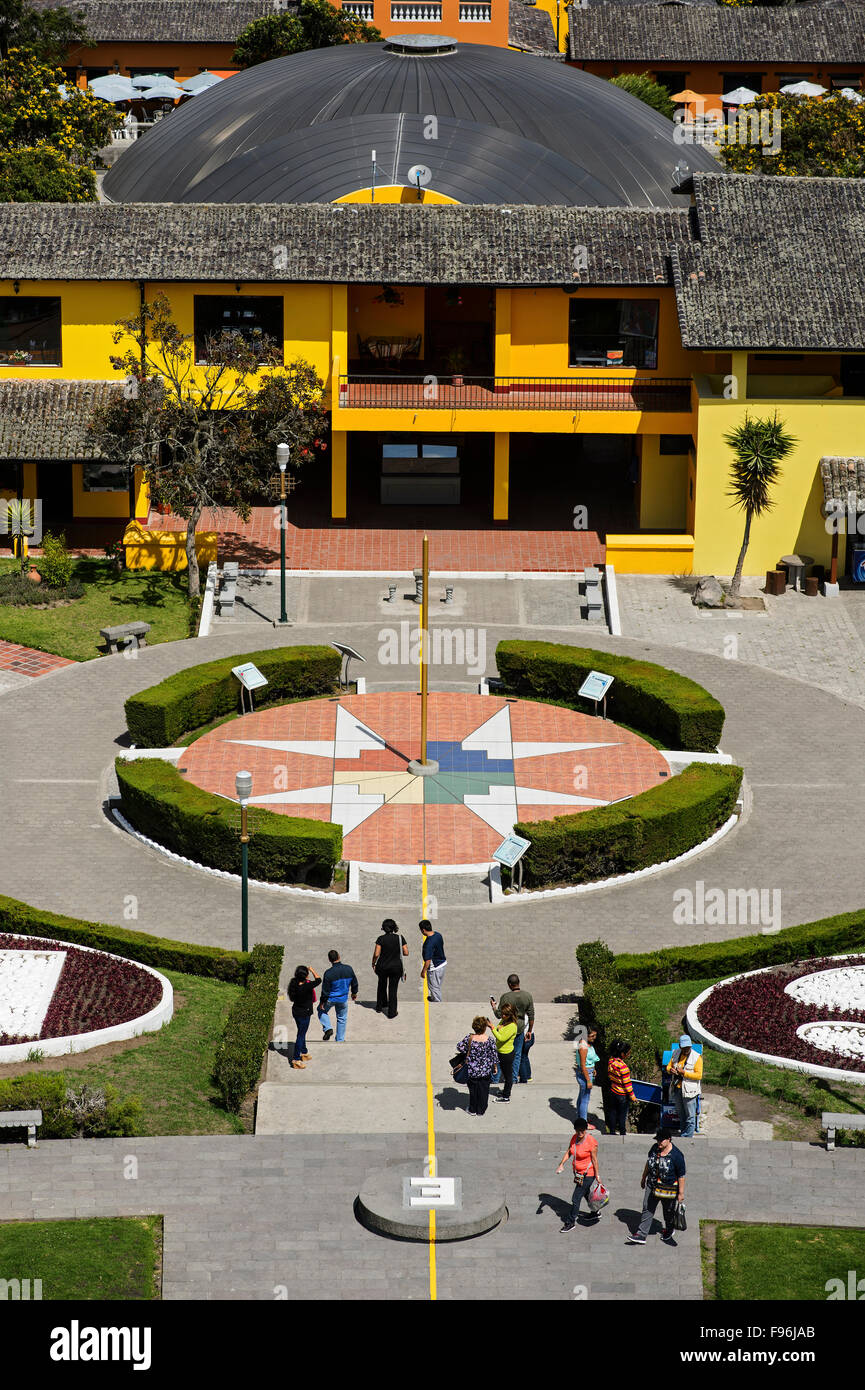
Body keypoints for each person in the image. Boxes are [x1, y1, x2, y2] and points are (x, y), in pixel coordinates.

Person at [625, 1128, 686, 1245]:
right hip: (652, 1185)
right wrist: (643, 1178)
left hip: (668, 1189)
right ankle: (641, 1234)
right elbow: (648, 1163)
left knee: (668, 1211)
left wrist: (681, 1193)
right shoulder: (654, 1148)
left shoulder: (677, 1155)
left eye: (661, 1141)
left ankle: (669, 1229)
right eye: (657, 1140)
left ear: (669, 1140)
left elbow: (681, 1176)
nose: (659, 1143)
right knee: (647, 1207)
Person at [556, 1118, 601, 1232]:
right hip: (578, 1173)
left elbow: (595, 1160)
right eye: (578, 1130)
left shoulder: (591, 1141)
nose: (580, 1133)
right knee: (586, 1193)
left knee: (576, 1198)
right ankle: (596, 1212)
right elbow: (569, 1151)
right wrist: (561, 1164)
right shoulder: (574, 1138)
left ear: (586, 1129)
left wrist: (597, 1175)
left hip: (588, 1174)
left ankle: (571, 1222)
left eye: (583, 1130)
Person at [491, 974, 534, 1088]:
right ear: (519, 982)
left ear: (509, 984)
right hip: (520, 1028)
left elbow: (499, 1015)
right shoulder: (528, 996)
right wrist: (529, 1031)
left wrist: (494, 1007)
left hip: (507, 1027)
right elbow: (531, 1015)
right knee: (517, 1054)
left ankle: (496, 1079)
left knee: (500, 1052)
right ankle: (514, 1078)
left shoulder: (506, 997)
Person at [455, 1016, 499, 1116]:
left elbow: (459, 1047)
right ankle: (481, 1110)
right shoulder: (490, 1040)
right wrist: (495, 1067)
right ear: (485, 1027)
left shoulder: (469, 1038)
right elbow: (494, 1056)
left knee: (473, 1090)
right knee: (484, 1090)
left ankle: (472, 1109)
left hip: (472, 1071)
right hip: (485, 1071)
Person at [317, 949, 358, 1042]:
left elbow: (325, 990)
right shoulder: (349, 968)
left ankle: (327, 1028)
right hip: (343, 999)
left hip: (330, 999)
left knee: (320, 1010)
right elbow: (354, 983)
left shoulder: (328, 973)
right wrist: (354, 993)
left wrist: (322, 1002)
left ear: (329, 960)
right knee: (342, 1019)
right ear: (339, 957)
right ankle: (340, 1040)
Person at [666, 1034, 703, 1138]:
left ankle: (687, 1137)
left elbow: (699, 1075)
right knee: (681, 1114)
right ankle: (683, 1134)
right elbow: (669, 1066)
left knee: (690, 1116)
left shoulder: (697, 1058)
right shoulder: (676, 1053)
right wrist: (670, 1070)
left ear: (690, 1046)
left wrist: (684, 1073)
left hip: (689, 1091)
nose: (686, 1049)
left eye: (688, 1047)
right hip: (677, 1089)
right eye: (684, 1047)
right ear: (680, 1046)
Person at [372, 919, 408, 1019]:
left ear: (383, 928)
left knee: (381, 985)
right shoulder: (400, 938)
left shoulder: (380, 939)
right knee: (393, 989)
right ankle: (392, 1012)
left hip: (382, 967)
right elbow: (406, 952)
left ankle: (380, 1006)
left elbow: (376, 954)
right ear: (394, 927)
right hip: (396, 967)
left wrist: (373, 963)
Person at [287, 964, 321, 1070]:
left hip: (296, 1012)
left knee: (302, 1032)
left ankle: (304, 1052)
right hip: (304, 1014)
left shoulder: (293, 983)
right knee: (301, 1035)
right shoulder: (307, 985)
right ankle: (296, 1059)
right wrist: (312, 969)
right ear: (305, 976)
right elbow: (319, 980)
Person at [488, 1002, 518, 1102]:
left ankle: (506, 1097)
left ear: (511, 1015)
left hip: (507, 1054)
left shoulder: (513, 1026)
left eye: (505, 1014)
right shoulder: (504, 1021)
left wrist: (492, 1028)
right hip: (501, 1052)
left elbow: (501, 1038)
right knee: (506, 1074)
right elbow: (498, 1029)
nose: (502, 1015)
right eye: (502, 1013)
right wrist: (496, 1028)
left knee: (508, 1076)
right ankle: (505, 1091)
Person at [606, 1038, 637, 1135]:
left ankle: (612, 1130)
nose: (629, 1055)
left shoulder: (611, 1061)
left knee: (612, 1112)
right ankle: (622, 1132)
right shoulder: (623, 1068)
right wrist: (632, 1096)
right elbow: (627, 1084)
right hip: (622, 1095)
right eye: (628, 1053)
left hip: (612, 1091)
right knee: (622, 1115)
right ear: (623, 1054)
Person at [575, 1026, 600, 1122]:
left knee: (582, 1097)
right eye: (592, 1036)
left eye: (595, 1035)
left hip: (588, 1072)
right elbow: (583, 1065)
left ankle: (581, 1117)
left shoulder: (586, 1044)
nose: (594, 1037)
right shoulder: (583, 1047)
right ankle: (583, 1122)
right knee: (585, 1100)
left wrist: (593, 1069)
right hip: (585, 1075)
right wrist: (588, 1080)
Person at [419, 919, 446, 1002]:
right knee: (437, 984)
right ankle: (433, 997)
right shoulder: (438, 935)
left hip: (434, 968)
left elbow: (428, 960)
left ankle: (437, 1002)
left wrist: (423, 971)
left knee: (434, 987)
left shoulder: (428, 943)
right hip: (442, 963)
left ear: (423, 930)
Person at [518, 1016, 534, 1083]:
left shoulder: (524, 1016)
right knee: (525, 1056)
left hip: (525, 1037)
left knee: (521, 1057)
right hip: (530, 1036)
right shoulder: (528, 1014)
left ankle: (523, 1078)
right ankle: (528, 1076)